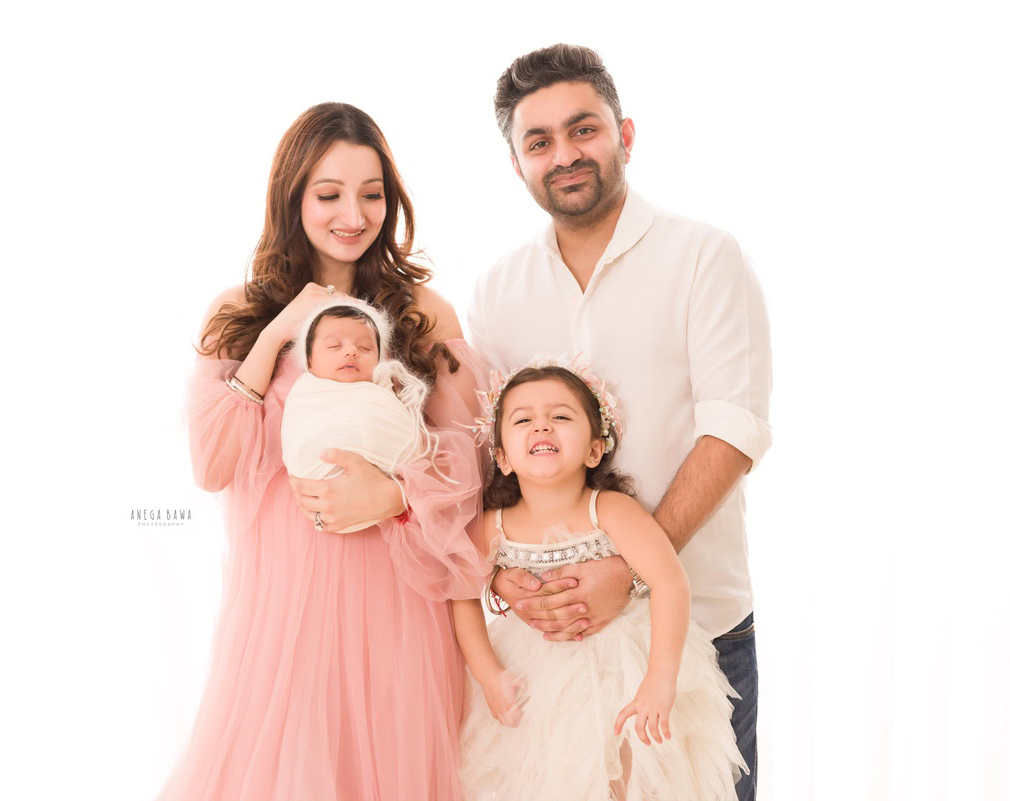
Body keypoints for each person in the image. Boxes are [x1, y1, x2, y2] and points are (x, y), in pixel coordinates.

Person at [157, 102, 489, 801]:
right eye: (329, 193)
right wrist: (278, 331)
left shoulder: (426, 314)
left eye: (372, 194)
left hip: (398, 604)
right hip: (282, 614)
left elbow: (473, 463)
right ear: (293, 197)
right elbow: (212, 464)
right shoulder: (239, 314)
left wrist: (394, 494)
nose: (354, 214)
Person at [465, 44, 772, 800]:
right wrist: (504, 573)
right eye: (538, 142)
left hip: (697, 621)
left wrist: (629, 568)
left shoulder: (704, 256)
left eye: (584, 130)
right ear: (517, 164)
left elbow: (734, 428)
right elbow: (492, 452)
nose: (565, 155)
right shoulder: (499, 290)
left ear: (625, 135)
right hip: (549, 650)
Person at [453, 361, 746, 800]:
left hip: (621, 670)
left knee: (623, 779)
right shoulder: (492, 526)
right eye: (523, 420)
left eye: (561, 417)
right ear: (502, 458)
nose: (541, 428)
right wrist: (489, 673)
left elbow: (670, 583)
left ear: (594, 450)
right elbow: (460, 595)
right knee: (545, 778)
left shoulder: (609, 509)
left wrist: (660, 678)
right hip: (534, 678)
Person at [279, 297, 441, 532]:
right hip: (315, 500)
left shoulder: (382, 394)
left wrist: (395, 493)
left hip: (387, 501)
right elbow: (298, 435)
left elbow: (409, 443)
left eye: (365, 348)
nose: (351, 351)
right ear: (310, 362)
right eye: (335, 346)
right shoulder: (308, 393)